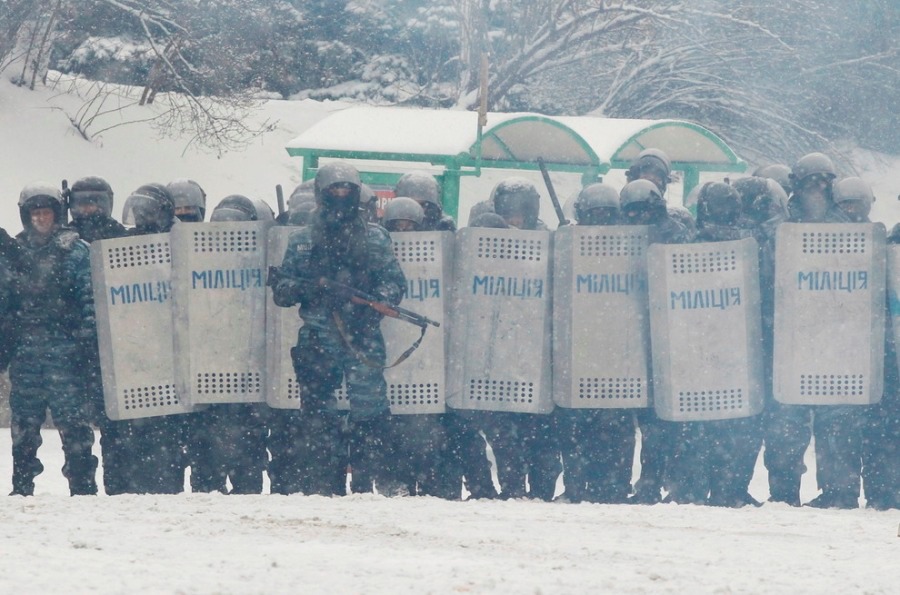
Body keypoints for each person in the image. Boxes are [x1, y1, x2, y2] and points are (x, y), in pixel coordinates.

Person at [272, 161, 406, 496]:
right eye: (336, 190)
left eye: (348, 190)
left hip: (361, 337)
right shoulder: (303, 240)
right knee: (317, 414)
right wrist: (311, 290)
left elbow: (394, 283)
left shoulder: (376, 238)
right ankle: (324, 482)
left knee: (371, 413)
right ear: (322, 194)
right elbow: (283, 290)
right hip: (318, 337)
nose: (343, 196)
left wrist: (372, 302)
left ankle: (369, 481)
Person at [765, 152, 866, 508]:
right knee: (785, 422)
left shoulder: (851, 230)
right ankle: (783, 492)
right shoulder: (780, 224)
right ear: (797, 185)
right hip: (791, 337)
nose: (818, 189)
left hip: (836, 338)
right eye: (811, 181)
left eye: (825, 181)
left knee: (837, 422)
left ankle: (839, 491)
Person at [7, 183, 98, 496]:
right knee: (24, 426)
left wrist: (87, 338)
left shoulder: (75, 251)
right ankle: (21, 487)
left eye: (46, 212)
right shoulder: (14, 251)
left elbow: (89, 297)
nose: (41, 218)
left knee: (74, 426)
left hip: (66, 352)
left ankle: (83, 488)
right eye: (35, 212)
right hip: (26, 352)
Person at [474, 177, 560, 500]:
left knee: (542, 433)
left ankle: (542, 491)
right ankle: (512, 488)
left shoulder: (549, 244)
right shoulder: (486, 244)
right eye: (507, 212)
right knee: (504, 431)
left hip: (539, 353)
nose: (513, 219)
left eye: (520, 212)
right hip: (501, 351)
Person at [183, 194, 271, 494]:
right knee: (205, 450)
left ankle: (246, 490)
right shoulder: (197, 257)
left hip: (249, 372)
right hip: (208, 369)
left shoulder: (263, 258)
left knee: (248, 451)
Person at [620, 158, 694, 505]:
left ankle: (654, 480)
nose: (638, 219)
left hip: (663, 332)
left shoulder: (675, 230)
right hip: (626, 332)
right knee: (632, 416)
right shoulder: (612, 232)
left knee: (658, 418)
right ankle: (636, 481)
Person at [555, 183, 635, 503]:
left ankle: (613, 487)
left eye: (606, 214)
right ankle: (578, 486)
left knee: (614, 430)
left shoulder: (631, 243)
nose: (601, 220)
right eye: (595, 214)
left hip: (618, 352)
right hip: (582, 349)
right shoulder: (568, 243)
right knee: (579, 430)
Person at [66, 176, 134, 495]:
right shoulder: (65, 240)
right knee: (76, 424)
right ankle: (82, 487)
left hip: (118, 344)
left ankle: (117, 485)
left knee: (116, 422)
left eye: (94, 201)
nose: (88, 208)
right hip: (75, 346)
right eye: (81, 202)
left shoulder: (122, 237)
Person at [121, 183, 187, 494]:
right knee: (139, 427)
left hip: (175, 344)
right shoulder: (127, 243)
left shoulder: (184, 240)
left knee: (169, 429)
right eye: (138, 211)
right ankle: (138, 487)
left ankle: (169, 485)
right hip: (141, 345)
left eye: (147, 211)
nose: (141, 217)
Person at [864, 223, 900, 510]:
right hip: (887, 355)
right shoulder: (887, 247)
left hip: (886, 353)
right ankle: (882, 492)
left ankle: (883, 492)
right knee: (884, 428)